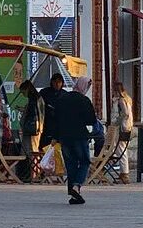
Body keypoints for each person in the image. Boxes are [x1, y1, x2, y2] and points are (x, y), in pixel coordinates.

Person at [41, 74, 103, 205]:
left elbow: (56, 120)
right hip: (80, 136)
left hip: (64, 138)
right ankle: (76, 186)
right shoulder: (84, 100)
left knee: (71, 165)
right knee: (85, 161)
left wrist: (55, 137)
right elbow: (91, 120)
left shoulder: (62, 99)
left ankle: (74, 195)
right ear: (84, 86)